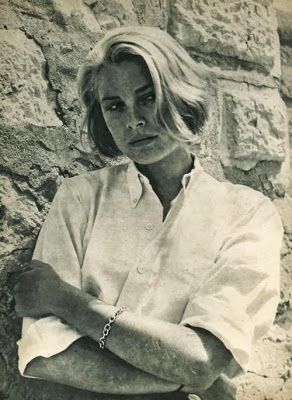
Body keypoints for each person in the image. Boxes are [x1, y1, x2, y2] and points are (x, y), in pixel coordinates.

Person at [14, 26, 283, 400]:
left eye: (148, 97)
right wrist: (185, 378)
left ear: (182, 97)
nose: (134, 121)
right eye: (114, 105)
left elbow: (202, 359)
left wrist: (66, 300)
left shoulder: (248, 214)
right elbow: (48, 357)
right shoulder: (78, 199)